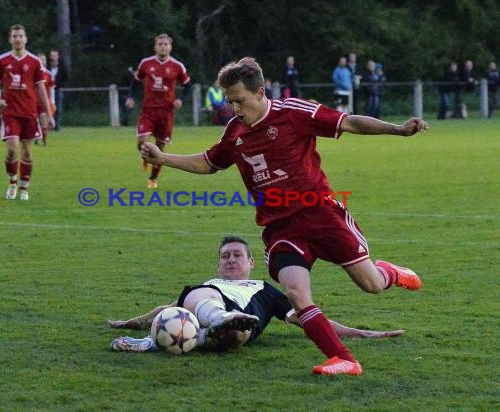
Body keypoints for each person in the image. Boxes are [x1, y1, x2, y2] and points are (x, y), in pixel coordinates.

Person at [141, 57, 429, 376]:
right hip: (281, 228)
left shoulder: (293, 112)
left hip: (321, 214)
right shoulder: (235, 132)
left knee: (371, 284)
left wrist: (399, 130)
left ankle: (388, 272)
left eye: (240, 100)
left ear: (261, 92)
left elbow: (349, 122)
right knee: (295, 291)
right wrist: (163, 158)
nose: (234, 108)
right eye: (230, 101)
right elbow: (209, 163)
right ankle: (343, 359)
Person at [109, 236, 405, 353]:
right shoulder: (209, 284)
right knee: (196, 300)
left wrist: (364, 334)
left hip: (239, 327)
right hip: (206, 307)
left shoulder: (266, 291)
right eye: (225, 256)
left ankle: (160, 343)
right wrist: (129, 321)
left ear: (251, 262)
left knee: (236, 336)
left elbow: (310, 321)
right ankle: (214, 321)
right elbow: (169, 307)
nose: (231, 260)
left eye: (238, 255)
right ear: (218, 263)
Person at [0, 24, 54, 201]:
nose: (17, 39)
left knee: (27, 151)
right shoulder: (2, 60)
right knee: (12, 149)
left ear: (26, 39)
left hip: (29, 113)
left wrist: (48, 114)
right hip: (10, 113)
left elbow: (41, 88)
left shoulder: (35, 61)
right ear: (10, 39)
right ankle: (12, 183)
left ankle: (24, 187)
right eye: (14, 36)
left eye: (20, 36)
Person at [125, 33, 192, 189]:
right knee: (141, 141)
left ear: (170, 47)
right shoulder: (146, 63)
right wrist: (130, 97)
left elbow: (188, 85)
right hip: (148, 111)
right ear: (155, 47)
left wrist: (180, 99)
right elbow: (136, 82)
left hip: (166, 113)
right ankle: (146, 156)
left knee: (160, 148)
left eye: (165, 44)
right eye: (160, 44)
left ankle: (153, 179)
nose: (163, 46)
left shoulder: (177, 66)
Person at [35, 53, 55, 146]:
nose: (42, 62)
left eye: (43, 60)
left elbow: (51, 89)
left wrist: (52, 102)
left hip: (43, 102)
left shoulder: (48, 74)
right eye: (40, 60)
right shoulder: (31, 73)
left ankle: (44, 141)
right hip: (32, 102)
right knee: (33, 122)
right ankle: (35, 137)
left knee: (44, 121)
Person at [48, 49, 68, 131]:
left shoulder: (62, 67)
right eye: (52, 55)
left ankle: (57, 126)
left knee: (58, 109)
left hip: (58, 89)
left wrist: (60, 84)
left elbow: (66, 76)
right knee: (49, 107)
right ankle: (49, 125)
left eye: (55, 55)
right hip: (48, 90)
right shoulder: (47, 67)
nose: (53, 57)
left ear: (58, 56)